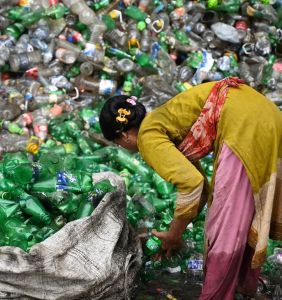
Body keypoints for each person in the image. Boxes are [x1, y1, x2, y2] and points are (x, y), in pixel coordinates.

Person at [99, 77, 282, 300]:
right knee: (245, 211)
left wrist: (175, 234)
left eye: (118, 144)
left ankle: (215, 296)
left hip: (243, 123)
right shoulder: (161, 121)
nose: (124, 149)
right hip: (267, 113)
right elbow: (201, 186)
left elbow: (191, 184)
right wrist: (178, 227)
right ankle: (242, 289)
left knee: (225, 225)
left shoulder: (147, 136)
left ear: (123, 135)